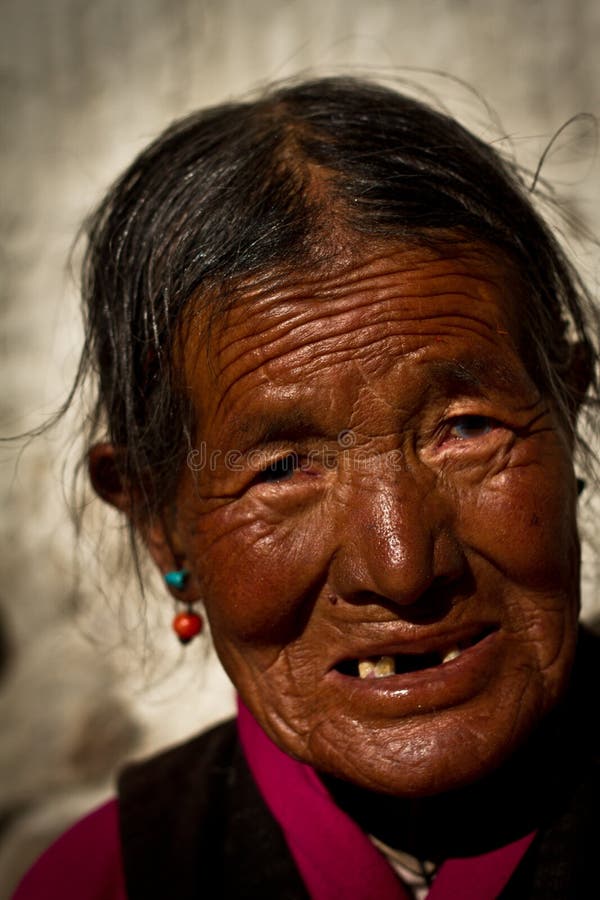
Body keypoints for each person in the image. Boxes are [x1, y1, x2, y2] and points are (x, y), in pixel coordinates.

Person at [12, 76, 600, 899]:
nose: (401, 565)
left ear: (565, 409)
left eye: (466, 428)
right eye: (282, 468)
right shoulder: (104, 883)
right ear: (160, 522)